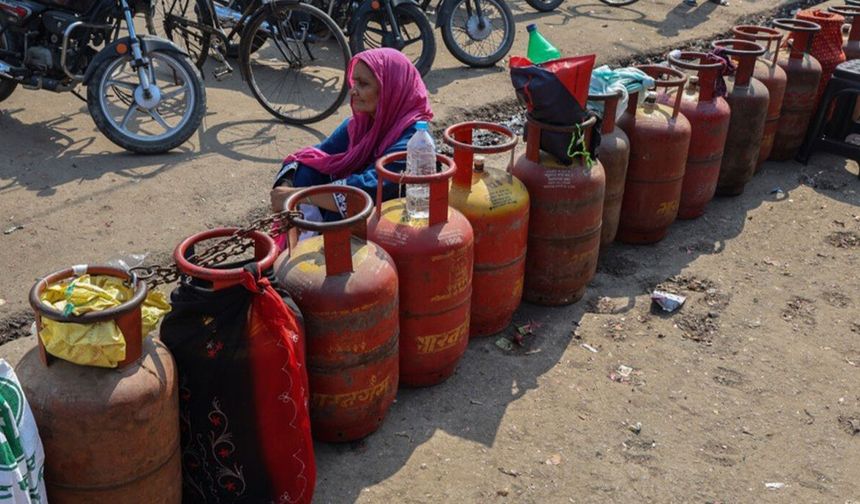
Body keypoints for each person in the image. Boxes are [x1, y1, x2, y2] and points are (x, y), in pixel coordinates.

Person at [270, 48, 433, 228]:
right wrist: (287, 186)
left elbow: (371, 187)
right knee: (306, 172)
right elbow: (317, 154)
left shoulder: (415, 138)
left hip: (392, 224)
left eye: (363, 84)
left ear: (390, 88)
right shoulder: (361, 124)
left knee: (341, 212)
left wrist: (299, 195)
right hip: (360, 208)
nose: (353, 91)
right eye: (354, 82)